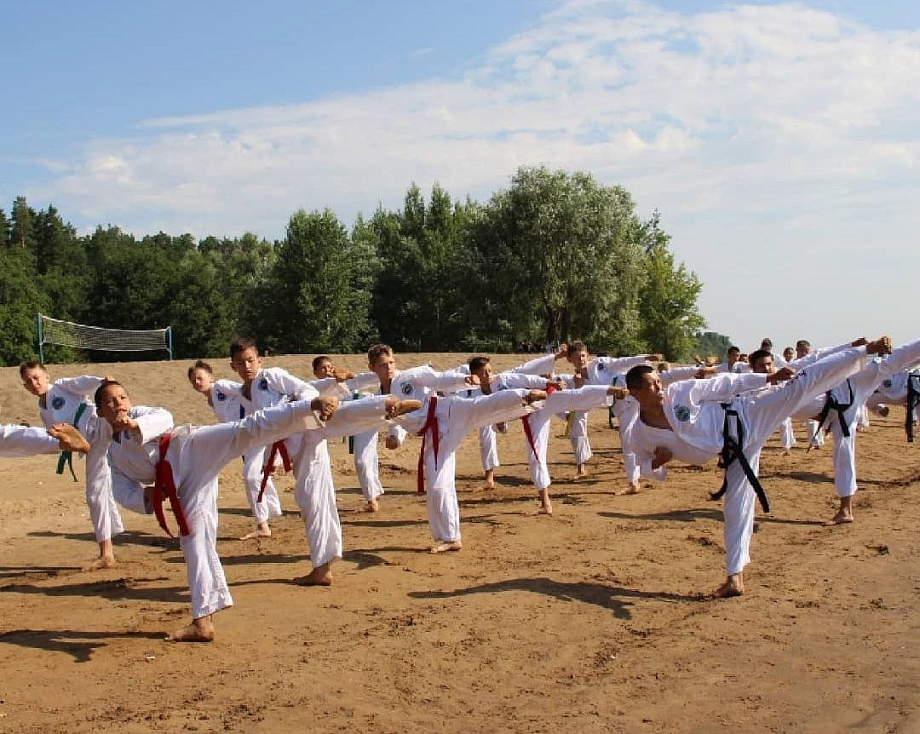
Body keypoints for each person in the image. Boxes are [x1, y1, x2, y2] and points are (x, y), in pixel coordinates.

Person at [82, 377, 414, 642]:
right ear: (100, 412)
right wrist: (150, 497)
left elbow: (164, 417)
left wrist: (134, 426)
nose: (119, 404)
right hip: (183, 484)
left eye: (121, 397)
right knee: (193, 541)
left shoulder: (141, 414)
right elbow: (122, 490)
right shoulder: (110, 453)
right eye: (110, 402)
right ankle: (203, 621)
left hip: (189, 446)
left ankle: (359, 406)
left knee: (250, 429)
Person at [626, 337, 891, 598]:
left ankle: (865, 351)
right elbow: (643, 466)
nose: (660, 389)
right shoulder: (640, 434)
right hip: (735, 453)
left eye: (660, 382)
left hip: (747, 415)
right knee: (736, 507)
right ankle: (735, 577)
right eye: (652, 386)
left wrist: (766, 379)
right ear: (635, 393)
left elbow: (727, 382)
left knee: (801, 382)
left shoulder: (681, 392)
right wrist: (657, 464)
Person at [752, 337, 920, 524]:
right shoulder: (758, 397)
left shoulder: (790, 372)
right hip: (840, 413)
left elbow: (819, 357)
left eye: (769, 365)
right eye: (761, 366)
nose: (767, 369)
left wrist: (855, 347)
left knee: (891, 362)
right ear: (753, 370)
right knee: (843, 451)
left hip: (849, 382)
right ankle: (845, 510)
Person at [19, 361, 123, 571]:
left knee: (142, 457)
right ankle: (107, 554)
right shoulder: (44, 412)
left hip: (102, 424)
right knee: (95, 493)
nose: (34, 383)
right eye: (28, 381)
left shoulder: (62, 387)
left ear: (47, 377)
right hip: (89, 446)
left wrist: (102, 381)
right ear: (25, 386)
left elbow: (83, 382)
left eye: (36, 377)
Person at [188, 360, 280, 540]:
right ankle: (270, 512)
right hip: (242, 436)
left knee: (251, 475)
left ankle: (264, 523)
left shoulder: (220, 386)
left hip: (254, 428)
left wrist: (257, 412)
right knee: (256, 474)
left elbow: (244, 390)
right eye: (193, 381)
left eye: (200, 378)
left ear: (210, 377)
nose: (197, 382)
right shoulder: (211, 399)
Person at [559, 342, 660, 480]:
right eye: (577, 357)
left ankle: (637, 477)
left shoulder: (599, 364)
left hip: (635, 391)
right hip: (622, 407)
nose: (581, 359)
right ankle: (635, 478)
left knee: (650, 423)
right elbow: (582, 402)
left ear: (588, 355)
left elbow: (621, 362)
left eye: (583, 356)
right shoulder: (577, 381)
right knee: (628, 437)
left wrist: (644, 358)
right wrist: (578, 386)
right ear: (570, 360)